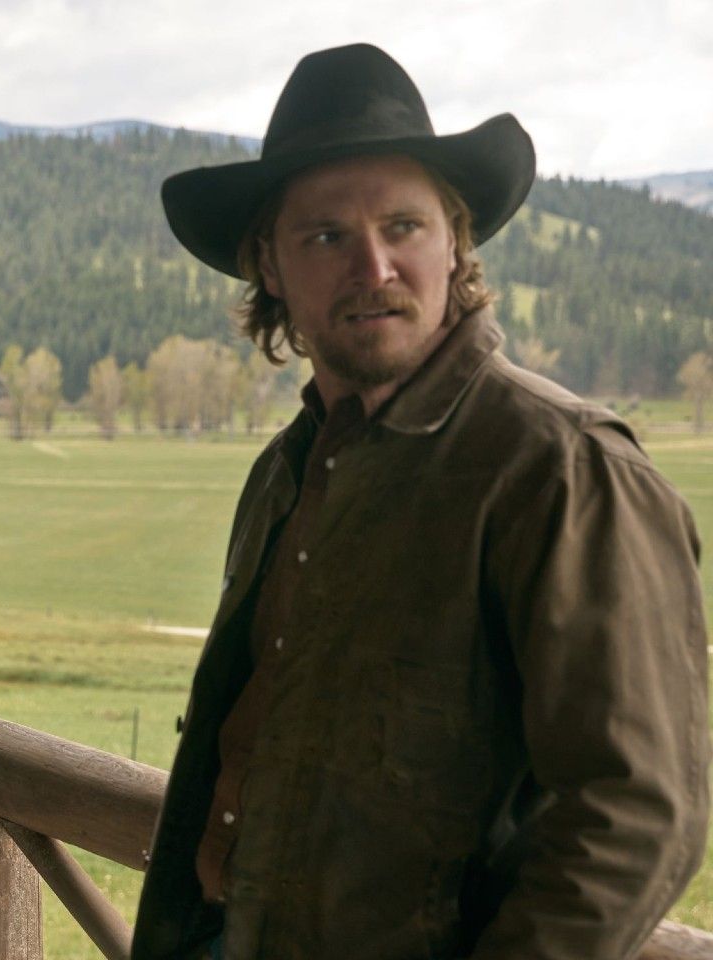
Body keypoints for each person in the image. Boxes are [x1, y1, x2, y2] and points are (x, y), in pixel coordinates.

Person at [134, 44, 709, 959]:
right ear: (270, 267)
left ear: (454, 241)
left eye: (403, 227)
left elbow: (637, 815)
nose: (375, 265)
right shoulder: (290, 468)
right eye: (326, 236)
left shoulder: (560, 470)